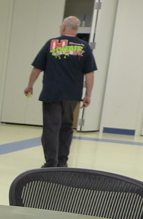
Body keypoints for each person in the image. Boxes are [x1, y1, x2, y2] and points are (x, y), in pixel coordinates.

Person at [23, 16, 97, 168]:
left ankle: (51, 163)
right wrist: (88, 94)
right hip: (72, 95)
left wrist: (30, 85)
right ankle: (62, 163)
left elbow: (37, 67)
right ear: (76, 29)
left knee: (51, 128)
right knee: (66, 128)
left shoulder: (51, 44)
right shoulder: (84, 47)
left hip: (52, 93)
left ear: (64, 27)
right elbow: (89, 73)